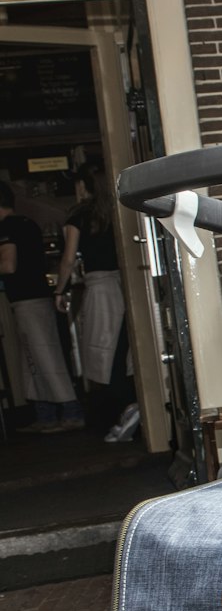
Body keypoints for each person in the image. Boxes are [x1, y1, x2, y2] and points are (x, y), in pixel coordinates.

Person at [55, 165, 139, 442]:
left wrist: (60, 289)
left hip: (99, 286)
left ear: (83, 186)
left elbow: (68, 258)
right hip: (123, 283)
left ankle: (118, 412)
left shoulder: (78, 215)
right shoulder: (115, 210)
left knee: (101, 349)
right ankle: (129, 407)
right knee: (120, 349)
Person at [0, 181, 84, 432]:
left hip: (27, 299)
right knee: (36, 357)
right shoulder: (27, 224)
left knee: (43, 356)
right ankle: (46, 415)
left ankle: (69, 412)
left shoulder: (7, 228)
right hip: (36, 296)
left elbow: (8, 265)